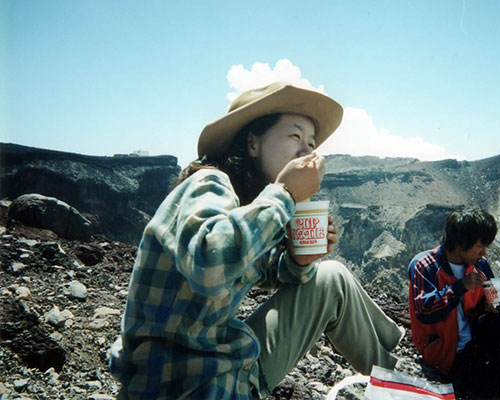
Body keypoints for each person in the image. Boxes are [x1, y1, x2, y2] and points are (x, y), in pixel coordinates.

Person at [109, 82, 405, 399]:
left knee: (332, 276)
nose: (307, 151)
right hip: (192, 383)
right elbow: (210, 265)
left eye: (311, 143)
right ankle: (401, 384)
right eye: (295, 137)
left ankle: (399, 378)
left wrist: (297, 260)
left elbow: (262, 269)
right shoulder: (208, 183)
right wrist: (285, 194)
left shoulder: (242, 203)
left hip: (215, 363)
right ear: (253, 143)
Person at [407, 208, 500, 399]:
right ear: (461, 244)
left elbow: (486, 298)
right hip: (444, 349)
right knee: (483, 384)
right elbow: (425, 311)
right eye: (480, 246)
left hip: (472, 340)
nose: (483, 252)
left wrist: (491, 307)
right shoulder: (424, 266)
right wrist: (460, 287)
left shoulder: (480, 265)